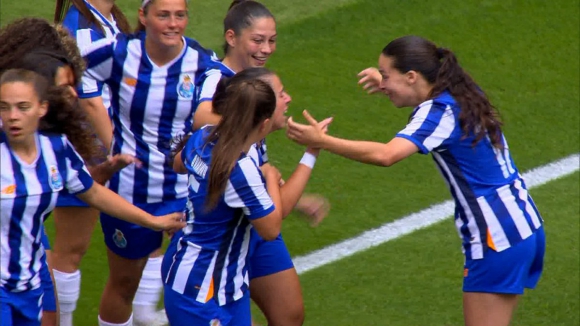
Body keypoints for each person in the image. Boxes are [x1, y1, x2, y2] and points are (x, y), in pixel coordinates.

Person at [286, 35, 545, 326]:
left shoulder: (436, 113)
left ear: (411, 76)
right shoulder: (461, 90)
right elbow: (427, 112)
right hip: (523, 224)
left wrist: (322, 141)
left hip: (496, 236)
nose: (381, 83)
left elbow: (387, 155)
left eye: (386, 76)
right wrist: (389, 86)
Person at [0, 68, 185, 326]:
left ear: (42, 108)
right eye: (4, 107)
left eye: (22, 107)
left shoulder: (56, 149)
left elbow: (94, 192)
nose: (12, 117)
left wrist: (153, 222)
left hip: (29, 285)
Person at [78, 0, 225, 324]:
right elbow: (73, 71)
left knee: (203, 281)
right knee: (124, 282)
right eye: (163, 15)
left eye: (180, 15)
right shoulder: (119, 53)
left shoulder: (202, 63)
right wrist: (109, 138)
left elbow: (235, 99)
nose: (173, 23)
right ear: (143, 17)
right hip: (131, 191)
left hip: (187, 190)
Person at [192, 2, 330, 325]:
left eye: (272, 40)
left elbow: (255, 167)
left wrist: (288, 194)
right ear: (232, 37)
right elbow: (201, 117)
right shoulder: (218, 78)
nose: (266, 48)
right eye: (257, 40)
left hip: (253, 211)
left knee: (289, 314)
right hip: (223, 222)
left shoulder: (260, 81)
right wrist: (249, 120)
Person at [163, 70, 326, 325]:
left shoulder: (205, 135)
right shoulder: (242, 169)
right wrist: (271, 175)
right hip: (201, 290)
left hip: (221, 282)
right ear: (263, 123)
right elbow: (271, 228)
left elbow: (177, 163)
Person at [0, 17, 135, 326]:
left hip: (27, 246)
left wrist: (100, 172)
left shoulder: (49, 137)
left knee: (51, 315)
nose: (73, 96)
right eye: (64, 87)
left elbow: (82, 186)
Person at [56, 2, 166, 324]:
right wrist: (119, 151)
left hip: (108, 148)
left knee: (145, 226)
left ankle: (144, 311)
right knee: (70, 250)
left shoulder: (108, 19)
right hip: (88, 148)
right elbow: (90, 102)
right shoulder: (83, 27)